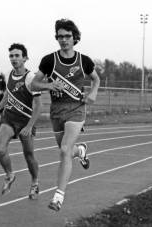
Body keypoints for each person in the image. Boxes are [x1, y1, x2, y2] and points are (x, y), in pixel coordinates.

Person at [31, 18, 100, 211]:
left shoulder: (83, 60)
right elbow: (33, 84)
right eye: (60, 36)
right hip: (57, 110)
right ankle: (81, 151)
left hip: (76, 109)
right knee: (68, 151)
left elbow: (96, 79)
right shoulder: (49, 60)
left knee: (63, 150)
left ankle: (58, 197)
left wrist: (93, 93)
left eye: (67, 36)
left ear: (74, 37)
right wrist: (48, 85)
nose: (63, 40)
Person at [0, 43, 42, 199]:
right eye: (11, 56)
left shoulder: (31, 78)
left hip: (25, 122)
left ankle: (35, 182)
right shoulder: (10, 74)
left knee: (29, 155)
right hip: (9, 118)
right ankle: (9, 175)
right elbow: (7, 96)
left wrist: (30, 125)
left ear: (25, 58)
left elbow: (38, 105)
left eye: (17, 55)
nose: (13, 58)